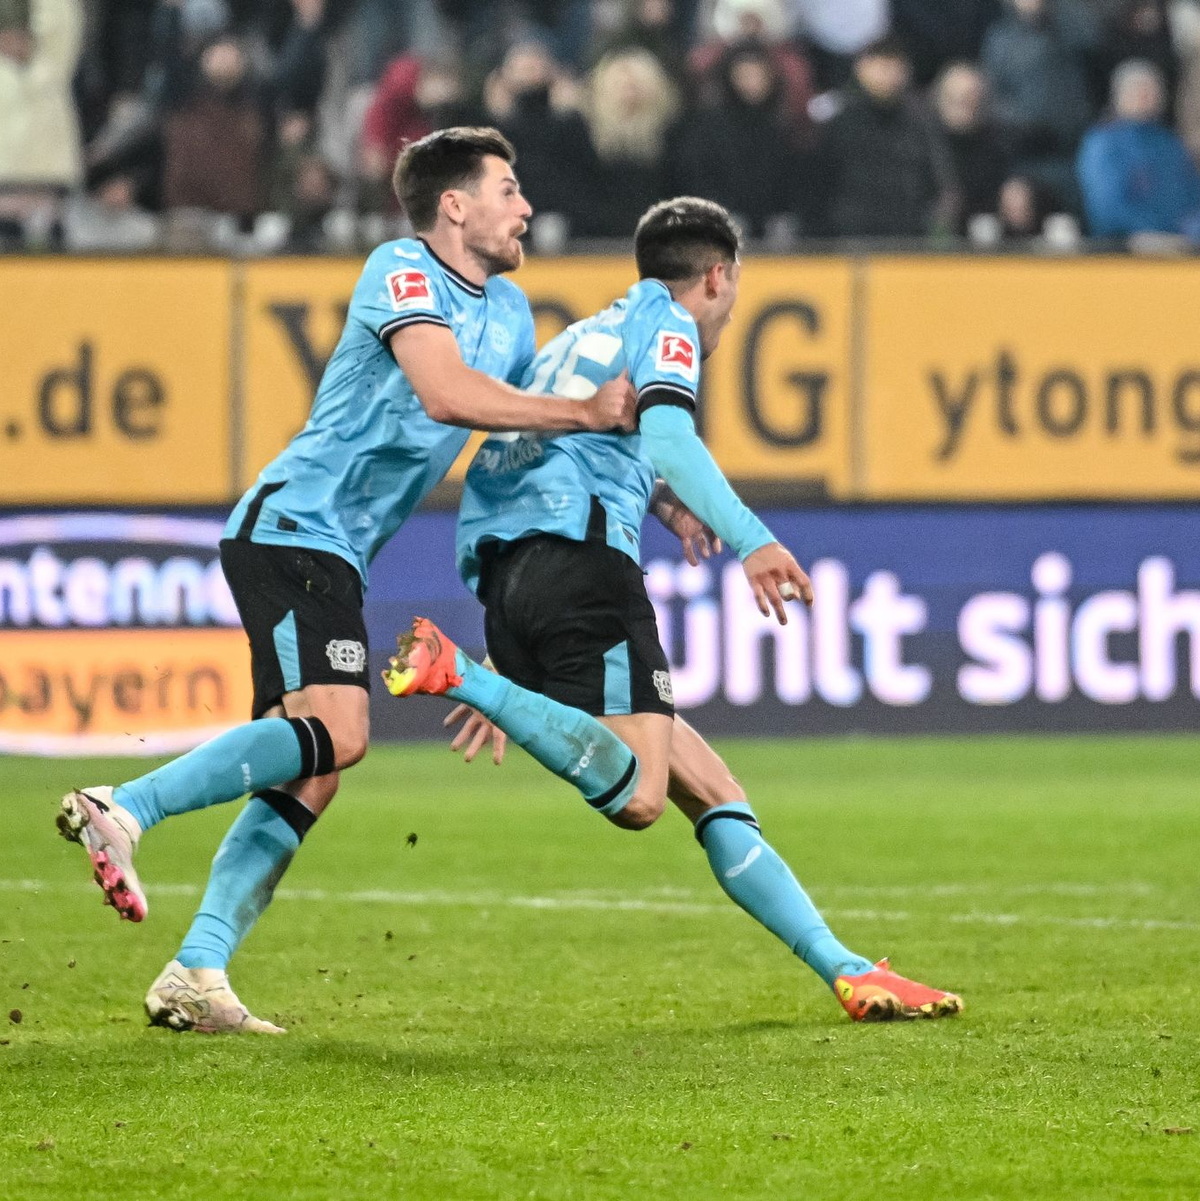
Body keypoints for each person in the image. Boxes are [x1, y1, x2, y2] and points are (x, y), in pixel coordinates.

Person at [56, 127, 645, 1034]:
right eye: (508, 188)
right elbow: (449, 393)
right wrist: (582, 408)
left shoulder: (516, 314)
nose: (526, 206)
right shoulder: (402, 268)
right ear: (456, 205)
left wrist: (518, 629)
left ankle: (197, 970)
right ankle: (122, 806)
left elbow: (510, 457)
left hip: (335, 550)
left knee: (311, 767)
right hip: (292, 523)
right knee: (340, 731)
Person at [385, 198, 963, 1023]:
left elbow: (568, 449)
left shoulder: (587, 332)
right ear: (718, 276)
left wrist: (657, 504)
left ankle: (845, 967)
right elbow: (669, 437)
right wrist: (752, 539)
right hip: (582, 563)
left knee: (710, 786)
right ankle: (462, 677)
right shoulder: (669, 324)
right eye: (735, 289)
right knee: (642, 796)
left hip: (510, 570)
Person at [1077, 59, 1200, 242]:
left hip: (1179, 247)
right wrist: (1146, 232)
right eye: (1139, 91)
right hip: (1126, 250)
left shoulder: (1170, 143)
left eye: (1153, 91)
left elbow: (1191, 194)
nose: (1147, 97)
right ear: (1119, 95)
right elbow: (1106, 205)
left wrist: (1189, 230)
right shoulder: (1104, 143)